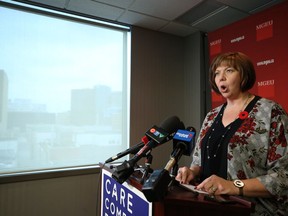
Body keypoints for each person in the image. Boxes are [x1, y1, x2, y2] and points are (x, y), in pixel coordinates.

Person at [175, 52, 288, 215]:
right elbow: (198, 161)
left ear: (244, 75)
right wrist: (191, 172)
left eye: (228, 70)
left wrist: (232, 186)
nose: (221, 77)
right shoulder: (211, 116)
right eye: (216, 73)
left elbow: (283, 177)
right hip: (206, 207)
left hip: (254, 211)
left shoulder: (270, 111)